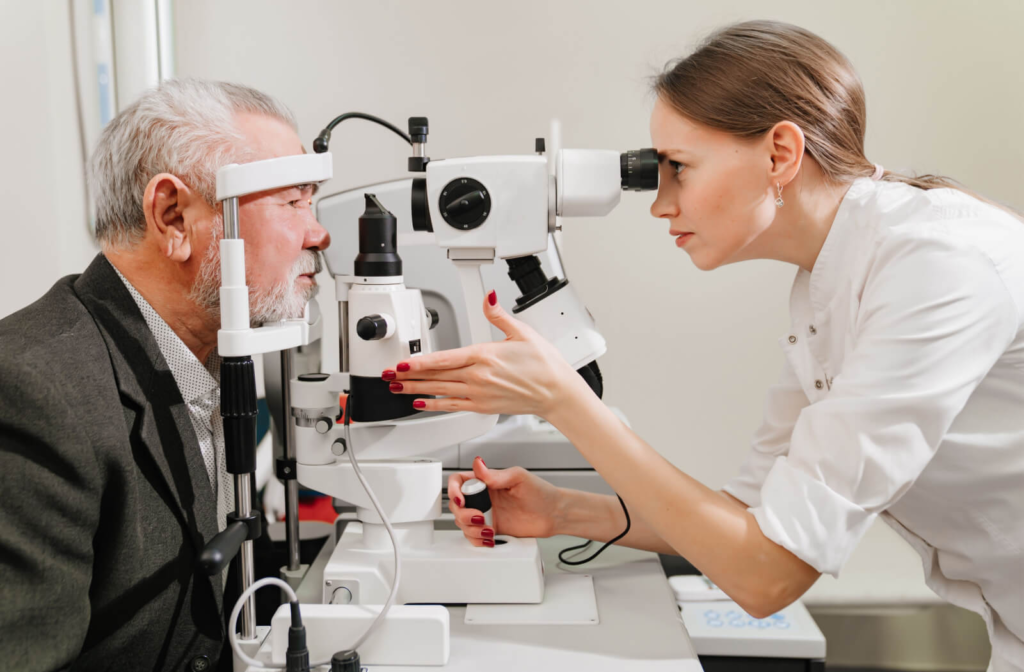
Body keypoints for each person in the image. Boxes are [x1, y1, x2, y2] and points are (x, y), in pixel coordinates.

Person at [383, 21, 1024, 671]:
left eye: (678, 169)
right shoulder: (828, 285)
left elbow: (766, 576)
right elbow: (743, 519)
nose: (660, 205)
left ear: (780, 153)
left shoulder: (934, 268)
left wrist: (563, 400)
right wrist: (563, 509)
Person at [0, 79, 330, 671]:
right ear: (174, 217)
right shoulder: (32, 390)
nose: (318, 232)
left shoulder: (212, 360)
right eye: (292, 201)